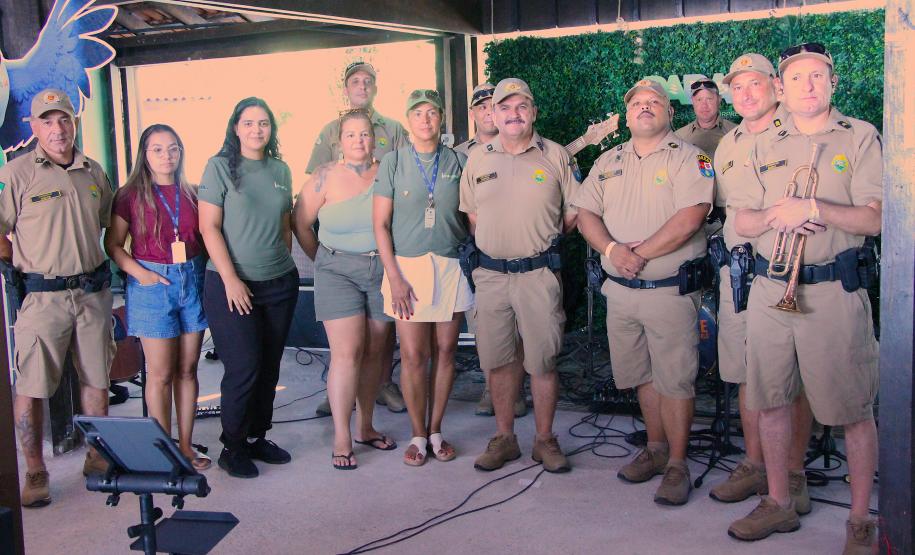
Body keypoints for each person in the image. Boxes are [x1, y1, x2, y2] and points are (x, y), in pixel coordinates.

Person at [727, 44, 881, 554]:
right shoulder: (762, 142)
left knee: (853, 411)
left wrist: (815, 206)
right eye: (797, 79)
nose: (808, 86)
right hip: (773, 289)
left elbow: (876, 218)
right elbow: (740, 221)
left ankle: (860, 521)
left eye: (817, 76)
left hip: (835, 291)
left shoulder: (859, 137)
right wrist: (777, 215)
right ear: (782, 89)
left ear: (832, 83)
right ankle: (779, 502)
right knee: (769, 401)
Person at [575, 79, 713, 505]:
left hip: (668, 291)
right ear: (628, 113)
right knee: (641, 375)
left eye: (655, 102)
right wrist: (614, 251)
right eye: (637, 103)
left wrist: (640, 254)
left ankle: (676, 463)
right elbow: (585, 214)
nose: (645, 108)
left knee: (675, 378)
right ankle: (654, 448)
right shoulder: (608, 160)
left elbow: (692, 216)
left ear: (671, 113)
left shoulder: (691, 158)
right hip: (621, 292)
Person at [0, 89, 116, 507]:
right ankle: (34, 471)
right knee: (31, 387)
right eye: (47, 121)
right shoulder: (16, 174)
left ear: (74, 122)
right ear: (33, 128)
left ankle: (98, 455)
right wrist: (12, 272)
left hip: (91, 293)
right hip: (42, 298)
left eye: (63, 119)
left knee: (97, 378)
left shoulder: (93, 171)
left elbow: (108, 226)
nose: (57, 129)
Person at [707, 53, 813, 508]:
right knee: (749, 372)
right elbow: (729, 208)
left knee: (794, 377)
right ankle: (754, 464)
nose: (746, 93)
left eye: (754, 84)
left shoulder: (801, 131)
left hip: (785, 272)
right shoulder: (727, 144)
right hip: (740, 274)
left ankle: (791, 473)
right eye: (738, 86)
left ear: (774, 85)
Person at [460, 78, 576, 474]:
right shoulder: (478, 159)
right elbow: (472, 214)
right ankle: (505, 438)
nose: (513, 114)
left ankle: (544, 440)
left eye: (521, 107)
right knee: (498, 360)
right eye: (504, 108)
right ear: (493, 114)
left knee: (542, 360)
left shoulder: (556, 156)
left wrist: (538, 239)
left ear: (533, 112)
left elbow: (573, 213)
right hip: (491, 276)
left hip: (538, 274)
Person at [199, 97, 299, 479]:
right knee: (244, 367)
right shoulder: (220, 166)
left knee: (270, 366)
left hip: (278, 283)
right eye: (249, 123)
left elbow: (285, 224)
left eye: (264, 123)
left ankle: (258, 437)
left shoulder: (281, 169)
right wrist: (232, 279)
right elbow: (208, 227)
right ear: (235, 127)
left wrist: (281, 267)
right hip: (230, 285)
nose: (257, 129)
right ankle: (233, 446)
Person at [293, 109, 396, 470]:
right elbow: (301, 222)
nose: (359, 141)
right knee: (347, 353)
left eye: (365, 134)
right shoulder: (324, 177)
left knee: (375, 351)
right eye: (351, 135)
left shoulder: (389, 170)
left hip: (381, 269)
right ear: (339, 140)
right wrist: (323, 259)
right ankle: (341, 435)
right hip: (337, 269)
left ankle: (366, 426)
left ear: (375, 137)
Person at [373, 89, 471, 466]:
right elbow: (381, 225)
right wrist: (394, 277)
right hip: (407, 268)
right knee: (414, 355)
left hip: (449, 265)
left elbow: (470, 216)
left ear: (441, 118)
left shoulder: (458, 161)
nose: (425, 120)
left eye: (432, 113)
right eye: (418, 113)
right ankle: (417, 433)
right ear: (408, 120)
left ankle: (436, 431)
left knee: (446, 351)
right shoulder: (393, 162)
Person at [104, 124, 210, 471]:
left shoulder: (193, 192)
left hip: (191, 280)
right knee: (160, 374)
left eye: (173, 148)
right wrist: (143, 275)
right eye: (158, 149)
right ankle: (163, 453)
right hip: (152, 283)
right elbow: (113, 245)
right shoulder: (130, 194)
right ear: (144, 155)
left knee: (188, 369)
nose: (167, 155)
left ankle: (185, 446)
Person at [308, 60, 409, 416]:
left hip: (381, 255)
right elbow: (314, 184)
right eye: (355, 80)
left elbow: (405, 178)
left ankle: (382, 384)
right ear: (345, 87)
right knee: (346, 344)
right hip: (340, 257)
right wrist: (322, 254)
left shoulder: (395, 129)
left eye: (369, 80)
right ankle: (341, 392)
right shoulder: (328, 130)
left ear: (376, 87)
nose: (362, 85)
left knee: (381, 337)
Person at [453, 81, 527, 419]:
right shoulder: (458, 154)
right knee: (485, 326)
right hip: (475, 253)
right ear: (474, 113)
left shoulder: (526, 146)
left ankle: (517, 391)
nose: (487, 111)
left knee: (522, 328)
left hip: (520, 255)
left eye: (491, 104)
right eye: (481, 106)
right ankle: (491, 389)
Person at [675, 77, 736, 160]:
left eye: (709, 99)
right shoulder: (678, 137)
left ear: (719, 99)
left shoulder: (736, 133)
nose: (704, 105)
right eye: (699, 99)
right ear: (693, 101)